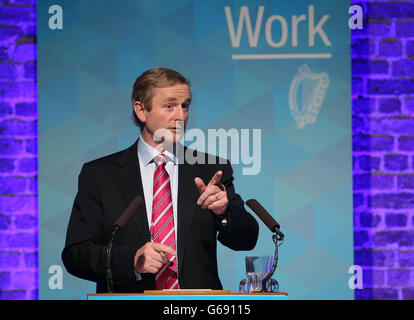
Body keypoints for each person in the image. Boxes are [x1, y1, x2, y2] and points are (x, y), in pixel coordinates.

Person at [62, 67, 259, 293]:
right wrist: (132, 261)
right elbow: (76, 254)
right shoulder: (100, 175)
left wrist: (224, 212)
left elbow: (246, 239)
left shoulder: (210, 170)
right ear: (141, 110)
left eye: (185, 106)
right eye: (169, 106)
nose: (181, 116)